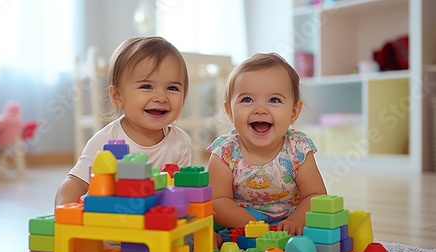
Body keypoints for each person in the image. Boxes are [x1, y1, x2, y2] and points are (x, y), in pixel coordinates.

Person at [55, 36, 191, 206]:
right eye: (146, 86)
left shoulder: (180, 142)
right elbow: (76, 182)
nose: (161, 97)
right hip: (110, 220)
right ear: (118, 96)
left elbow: (183, 192)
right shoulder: (105, 141)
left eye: (172, 88)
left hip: (152, 223)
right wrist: (63, 212)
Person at [207, 53, 327, 241]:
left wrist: (296, 221)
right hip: (241, 223)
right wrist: (252, 225)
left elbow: (316, 195)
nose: (260, 109)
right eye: (247, 100)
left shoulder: (298, 149)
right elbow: (217, 202)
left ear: (293, 113)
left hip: (289, 223)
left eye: (274, 100)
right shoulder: (225, 152)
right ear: (230, 111)